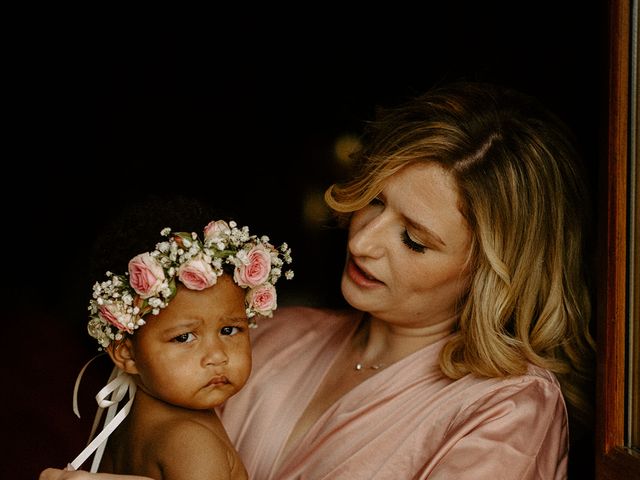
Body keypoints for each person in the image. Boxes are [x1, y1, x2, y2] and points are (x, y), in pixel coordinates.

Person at [40, 81, 596, 479]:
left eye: (414, 240)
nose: (361, 240)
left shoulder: (506, 408)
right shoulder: (270, 334)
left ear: (493, 272)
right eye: (374, 200)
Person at [42, 214, 293, 479]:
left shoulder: (121, 423)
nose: (217, 356)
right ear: (126, 353)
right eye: (184, 337)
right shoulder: (192, 441)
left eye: (228, 330)